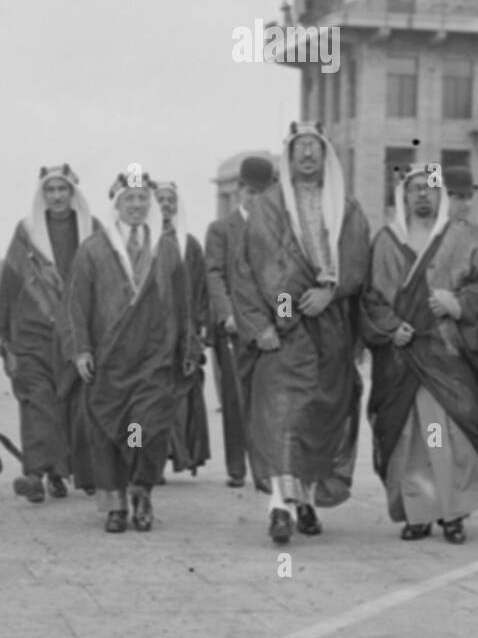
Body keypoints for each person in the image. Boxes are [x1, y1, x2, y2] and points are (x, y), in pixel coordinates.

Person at [233, 121, 370, 545]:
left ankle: (306, 499)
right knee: (280, 420)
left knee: (319, 419)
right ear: (289, 157)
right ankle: (280, 507)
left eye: (315, 148)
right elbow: (254, 271)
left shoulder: (346, 208)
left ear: (325, 156)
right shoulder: (269, 206)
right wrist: (275, 324)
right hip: (283, 332)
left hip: (331, 332)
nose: (308, 155)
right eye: (300, 148)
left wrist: (330, 294)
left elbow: (356, 263)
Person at [363, 164, 478, 543]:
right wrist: (392, 327)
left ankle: (451, 511)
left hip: (446, 355)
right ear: (403, 196)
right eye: (415, 188)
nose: (423, 194)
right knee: (411, 440)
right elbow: (371, 298)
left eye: (430, 187)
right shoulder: (387, 241)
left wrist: (455, 302)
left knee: (442, 434)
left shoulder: (464, 238)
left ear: (441, 195)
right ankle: (418, 512)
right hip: (402, 360)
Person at [65, 171, 190, 533]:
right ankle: (116, 502)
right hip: (110, 361)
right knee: (109, 430)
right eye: (129, 199)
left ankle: (142, 486)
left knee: (144, 428)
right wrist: (81, 350)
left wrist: (186, 346)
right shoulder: (93, 249)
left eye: (142, 199)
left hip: (154, 360)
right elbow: (76, 303)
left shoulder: (165, 248)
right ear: (116, 205)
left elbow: (181, 303)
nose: (136, 206)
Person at [0, 165, 100, 505]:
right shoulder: (25, 232)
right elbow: (8, 283)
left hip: (75, 334)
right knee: (38, 402)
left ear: (73, 193)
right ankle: (34, 474)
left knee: (69, 405)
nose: (56, 196)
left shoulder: (93, 231)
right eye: (50, 190)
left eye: (62, 189)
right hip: (31, 333)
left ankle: (60, 471)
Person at [204, 155, 276, 487]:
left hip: (270, 328)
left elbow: (286, 280)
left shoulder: (280, 229)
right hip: (234, 327)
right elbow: (215, 274)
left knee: (268, 397)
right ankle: (237, 466)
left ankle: (267, 465)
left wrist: (284, 319)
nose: (255, 197)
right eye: (250, 191)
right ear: (239, 192)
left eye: (262, 192)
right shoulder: (221, 230)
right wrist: (227, 314)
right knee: (235, 397)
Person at [154, 181, 210, 477]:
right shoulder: (139, 242)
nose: (165, 204)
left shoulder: (190, 245)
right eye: (159, 199)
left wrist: (198, 330)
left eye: (170, 200)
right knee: (144, 402)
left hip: (181, 334)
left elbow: (201, 290)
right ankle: (144, 457)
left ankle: (173, 453)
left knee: (177, 400)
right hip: (148, 336)